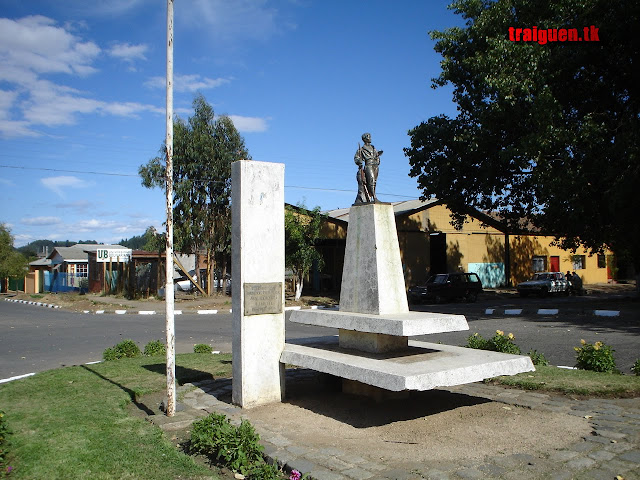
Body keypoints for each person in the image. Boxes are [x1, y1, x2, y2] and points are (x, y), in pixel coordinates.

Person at [353, 132, 382, 204]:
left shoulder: (373, 148)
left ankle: (371, 196)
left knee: (374, 182)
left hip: (375, 165)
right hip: (368, 165)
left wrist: (378, 159)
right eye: (368, 137)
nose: (370, 138)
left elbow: (377, 156)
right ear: (365, 139)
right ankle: (374, 197)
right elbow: (356, 158)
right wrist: (359, 161)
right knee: (371, 180)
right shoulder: (362, 149)